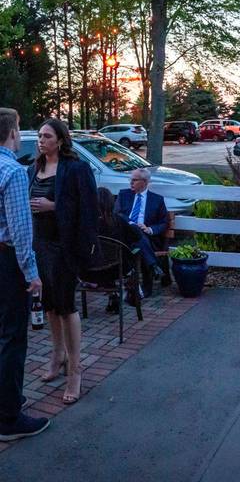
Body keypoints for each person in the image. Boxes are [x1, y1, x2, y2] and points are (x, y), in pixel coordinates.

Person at [29, 118, 100, 405]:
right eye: (39, 136)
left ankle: (75, 370)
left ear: (60, 140)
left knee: (66, 306)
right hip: (41, 246)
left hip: (66, 247)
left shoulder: (76, 168)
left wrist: (54, 206)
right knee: (49, 305)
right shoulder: (34, 168)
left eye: (46, 136)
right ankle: (56, 356)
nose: (41, 140)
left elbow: (89, 207)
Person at [0, 108, 49, 441]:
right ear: (12, 132)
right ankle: (8, 418)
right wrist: (32, 272)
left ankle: (8, 397)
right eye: (19, 127)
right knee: (13, 337)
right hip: (6, 262)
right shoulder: (13, 172)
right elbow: (20, 229)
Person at [113, 168, 170, 298]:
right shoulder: (124, 194)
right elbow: (117, 214)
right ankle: (153, 266)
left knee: (140, 241)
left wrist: (149, 229)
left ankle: (149, 277)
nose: (130, 183)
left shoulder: (157, 200)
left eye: (134, 180)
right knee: (136, 231)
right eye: (130, 179)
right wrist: (132, 224)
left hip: (146, 238)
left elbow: (163, 222)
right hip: (125, 236)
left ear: (144, 182)